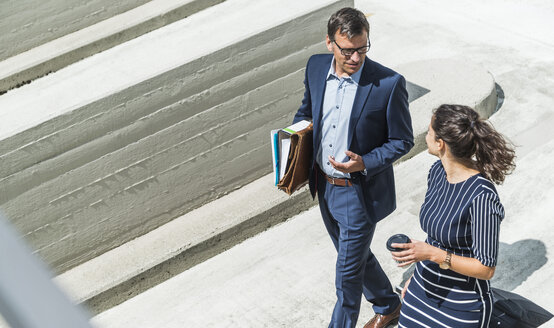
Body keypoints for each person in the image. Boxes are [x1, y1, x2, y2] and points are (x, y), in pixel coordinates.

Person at [292, 7, 414, 328]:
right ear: (330, 43)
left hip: (359, 195)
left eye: (362, 48)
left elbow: (402, 140)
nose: (356, 58)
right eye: (348, 50)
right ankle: (389, 305)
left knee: (346, 279)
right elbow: (306, 111)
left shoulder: (388, 84)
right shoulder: (316, 68)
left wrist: (364, 163)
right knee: (356, 259)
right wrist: (293, 146)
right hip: (325, 187)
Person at [391, 104, 516, 327]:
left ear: (440, 143)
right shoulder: (437, 172)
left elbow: (486, 269)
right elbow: (436, 237)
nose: (425, 135)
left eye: (429, 131)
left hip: (461, 306)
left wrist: (432, 255)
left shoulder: (482, 196)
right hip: (423, 289)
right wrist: (418, 277)